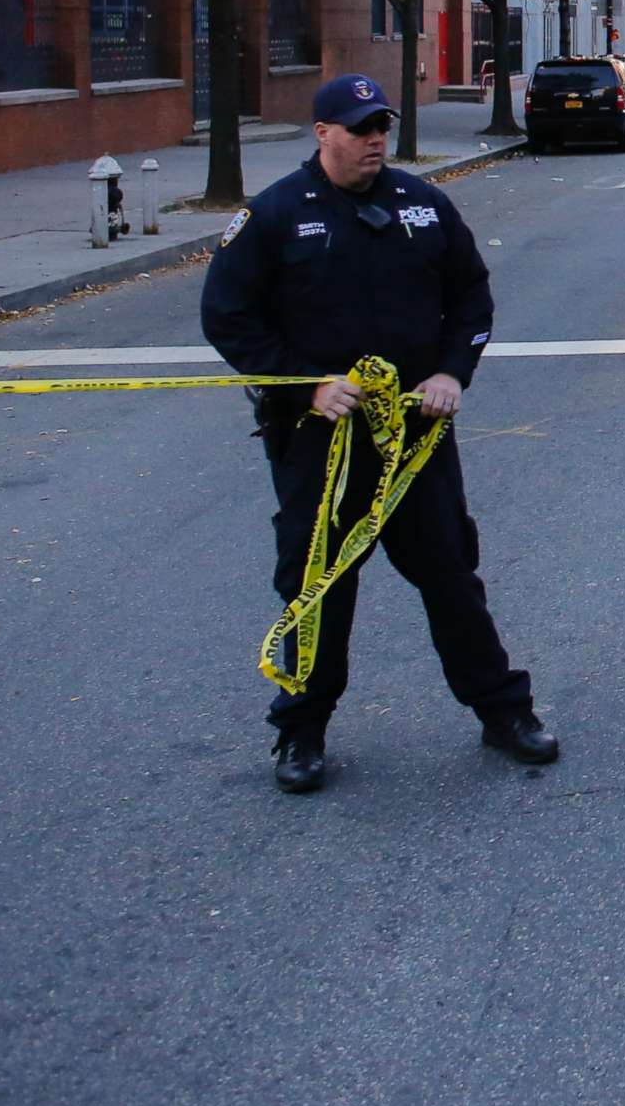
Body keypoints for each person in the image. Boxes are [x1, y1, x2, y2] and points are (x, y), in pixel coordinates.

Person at [200, 75, 555, 793]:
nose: (374, 140)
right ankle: (300, 731)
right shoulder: (274, 216)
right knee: (318, 587)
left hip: (416, 440)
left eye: (382, 126)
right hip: (320, 442)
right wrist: (304, 381)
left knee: (451, 577)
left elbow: (472, 297)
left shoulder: (422, 205)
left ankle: (503, 711)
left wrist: (454, 371)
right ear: (321, 132)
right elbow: (228, 317)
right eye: (359, 127)